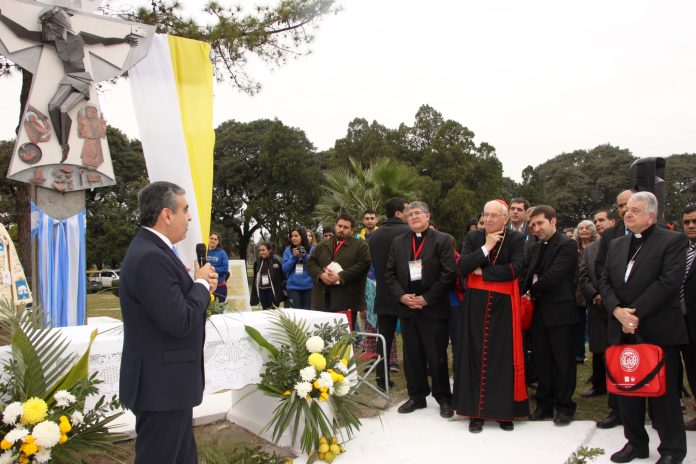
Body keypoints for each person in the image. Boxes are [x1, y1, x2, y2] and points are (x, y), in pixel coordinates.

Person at [119, 181, 218, 464]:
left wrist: (198, 285)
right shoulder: (151, 257)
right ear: (166, 215)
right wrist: (200, 284)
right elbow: (180, 320)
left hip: (166, 385)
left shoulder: (155, 250)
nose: (189, 217)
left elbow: (171, 307)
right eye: (185, 210)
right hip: (161, 386)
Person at [599, 191, 687, 464]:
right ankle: (635, 443)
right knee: (627, 391)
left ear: (652, 215)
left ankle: (672, 449)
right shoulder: (616, 244)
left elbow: (669, 282)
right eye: (627, 210)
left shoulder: (673, 241)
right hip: (622, 329)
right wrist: (616, 310)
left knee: (664, 393)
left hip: (657, 329)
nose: (628, 213)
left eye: (635, 210)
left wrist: (633, 315)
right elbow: (605, 281)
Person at [453, 199, 528, 433]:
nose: (488, 219)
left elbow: (516, 269)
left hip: (503, 305)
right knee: (473, 355)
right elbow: (462, 267)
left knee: (502, 357)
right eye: (486, 215)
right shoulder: (474, 238)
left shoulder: (516, 239)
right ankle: (475, 413)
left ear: (506, 218)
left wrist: (483, 272)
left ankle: (504, 413)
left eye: (494, 215)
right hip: (475, 305)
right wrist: (485, 247)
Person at [384, 201, 456, 418]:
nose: (413, 216)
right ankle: (417, 396)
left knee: (437, 355)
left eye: (418, 213)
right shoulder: (398, 242)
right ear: (405, 218)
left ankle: (443, 397)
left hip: (433, 308)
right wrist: (402, 297)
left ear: (427, 216)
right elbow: (389, 274)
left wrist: (426, 299)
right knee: (412, 355)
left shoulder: (443, 240)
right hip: (407, 308)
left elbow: (449, 273)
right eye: (410, 214)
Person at [523, 205, 579, 426]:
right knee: (542, 361)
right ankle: (544, 404)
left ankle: (565, 406)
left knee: (563, 362)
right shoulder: (535, 248)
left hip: (561, 313)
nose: (536, 228)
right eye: (533, 225)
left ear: (553, 221)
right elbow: (528, 274)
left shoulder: (568, 245)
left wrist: (530, 291)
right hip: (538, 313)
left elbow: (555, 276)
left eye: (540, 223)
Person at [594, 189, 635, 429]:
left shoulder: (660, 233)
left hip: (644, 311)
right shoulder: (611, 235)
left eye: (628, 204)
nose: (624, 209)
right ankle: (616, 410)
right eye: (620, 205)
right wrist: (615, 303)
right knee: (617, 361)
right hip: (615, 308)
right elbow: (602, 268)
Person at [368, 198, 410, 390]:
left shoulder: (374, 237)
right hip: (406, 293)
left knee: (383, 336)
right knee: (411, 339)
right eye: (407, 211)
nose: (411, 214)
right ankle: (413, 377)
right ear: (398, 213)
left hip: (384, 291)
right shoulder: (409, 233)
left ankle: (381, 378)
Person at [578, 210, 616, 400]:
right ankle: (598, 384)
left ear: (613, 222)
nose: (598, 223)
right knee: (597, 346)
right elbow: (583, 276)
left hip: (616, 306)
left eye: (602, 220)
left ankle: (616, 384)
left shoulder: (622, 245)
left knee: (614, 349)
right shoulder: (591, 248)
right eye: (596, 221)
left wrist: (608, 296)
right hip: (596, 304)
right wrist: (595, 294)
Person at [307, 213, 371, 321]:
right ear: (335, 226)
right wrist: (321, 275)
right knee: (321, 335)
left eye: (346, 227)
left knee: (344, 336)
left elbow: (364, 265)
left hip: (346, 300)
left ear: (351, 230)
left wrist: (340, 276)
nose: (341, 229)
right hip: (321, 299)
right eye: (339, 226)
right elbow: (311, 263)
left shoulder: (360, 246)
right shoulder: (322, 245)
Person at [679, 205, 696, 431]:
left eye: (695, 221)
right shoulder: (682, 250)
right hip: (684, 321)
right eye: (687, 222)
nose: (691, 226)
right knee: (692, 369)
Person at [573, 220, 599, 364]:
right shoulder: (574, 247)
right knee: (579, 323)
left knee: (593, 323)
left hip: (593, 288)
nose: (584, 230)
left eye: (587, 228)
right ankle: (579, 354)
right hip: (577, 291)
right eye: (581, 228)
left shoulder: (598, 246)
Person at [282, 227, 314, 309]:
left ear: (302, 236)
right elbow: (285, 269)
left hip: (309, 287)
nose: (293, 238)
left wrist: (305, 257)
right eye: (292, 236)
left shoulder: (312, 249)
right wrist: (294, 257)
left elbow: (314, 267)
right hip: (293, 288)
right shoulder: (288, 251)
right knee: (297, 315)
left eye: (296, 236)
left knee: (308, 314)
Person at [250, 242, 284, 309]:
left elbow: (281, 276)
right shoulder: (258, 262)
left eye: (263, 250)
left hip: (272, 291)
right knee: (265, 311)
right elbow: (256, 278)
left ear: (269, 250)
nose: (261, 252)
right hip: (262, 291)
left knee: (273, 313)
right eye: (260, 250)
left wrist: (283, 289)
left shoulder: (276, 261)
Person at [207, 232, 229, 303]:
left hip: (219, 287)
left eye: (215, 239)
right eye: (211, 238)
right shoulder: (204, 252)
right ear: (208, 239)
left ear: (218, 242)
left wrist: (213, 269)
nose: (213, 240)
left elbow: (225, 269)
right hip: (205, 287)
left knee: (217, 312)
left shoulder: (222, 253)